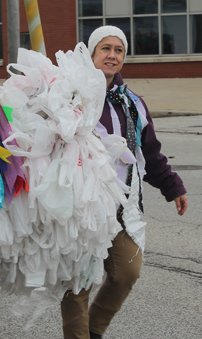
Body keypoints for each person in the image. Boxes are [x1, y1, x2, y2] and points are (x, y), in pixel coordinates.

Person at [60, 26, 188, 339]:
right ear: (91, 54)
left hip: (121, 207)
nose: (112, 55)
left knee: (126, 273)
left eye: (119, 50)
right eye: (105, 48)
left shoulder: (133, 103)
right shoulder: (70, 97)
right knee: (79, 282)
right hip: (80, 205)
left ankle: (92, 331)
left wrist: (174, 187)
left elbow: (150, 153)